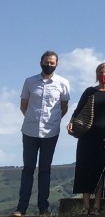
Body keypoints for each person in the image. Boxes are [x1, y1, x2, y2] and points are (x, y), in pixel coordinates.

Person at [13, 51, 71, 217]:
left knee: (45, 170)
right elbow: (23, 104)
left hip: (50, 132)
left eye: (52, 63)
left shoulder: (63, 83)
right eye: (46, 62)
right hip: (30, 130)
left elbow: (64, 106)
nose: (49, 65)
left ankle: (43, 209)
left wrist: (53, 121)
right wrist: (32, 118)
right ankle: (21, 208)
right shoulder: (30, 81)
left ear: (57, 64)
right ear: (41, 62)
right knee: (28, 169)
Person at [69, 63, 105, 216]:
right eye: (100, 72)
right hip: (87, 137)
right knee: (85, 170)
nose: (103, 74)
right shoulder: (89, 91)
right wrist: (71, 123)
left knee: (101, 172)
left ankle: (96, 207)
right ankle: (85, 207)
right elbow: (78, 110)